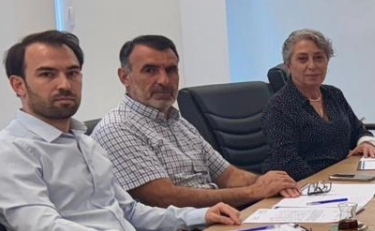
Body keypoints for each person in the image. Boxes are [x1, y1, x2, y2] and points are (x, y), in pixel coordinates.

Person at [0, 30, 239, 231]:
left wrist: (200, 215)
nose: (64, 85)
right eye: (47, 74)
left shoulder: (84, 142)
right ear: (18, 85)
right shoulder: (12, 151)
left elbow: (129, 211)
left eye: (72, 73)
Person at [93, 34, 300, 208]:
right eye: (150, 70)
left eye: (171, 70)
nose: (164, 80)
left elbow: (228, 176)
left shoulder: (177, 122)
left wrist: (268, 182)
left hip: (217, 218)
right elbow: (164, 198)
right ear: (124, 77)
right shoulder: (118, 128)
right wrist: (254, 192)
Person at [262, 29, 375, 180]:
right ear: (288, 65)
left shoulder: (333, 94)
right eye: (302, 59)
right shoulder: (279, 108)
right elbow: (289, 163)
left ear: (327, 62)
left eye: (319, 58)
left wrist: (366, 143)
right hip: (305, 186)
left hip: (342, 176)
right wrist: (329, 184)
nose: (312, 66)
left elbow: (358, 130)